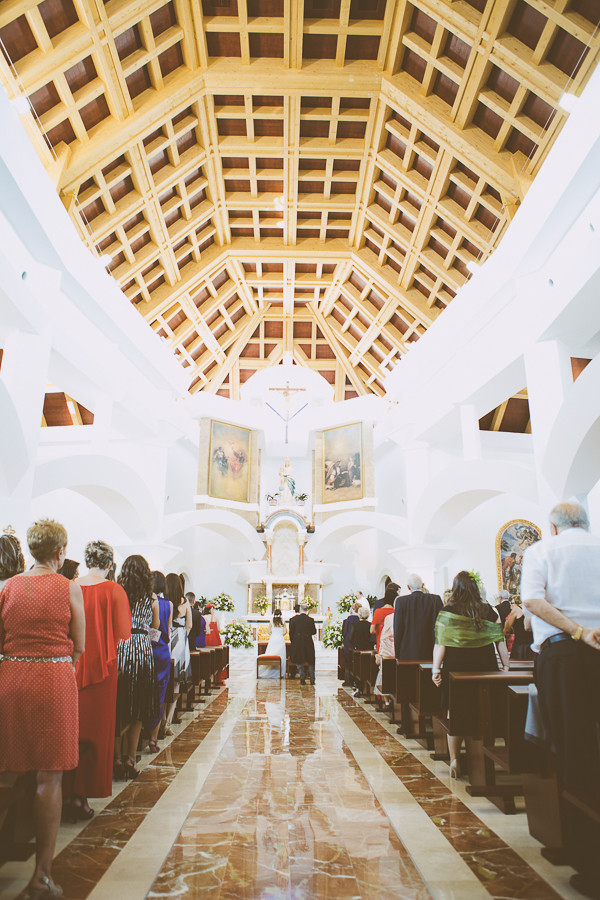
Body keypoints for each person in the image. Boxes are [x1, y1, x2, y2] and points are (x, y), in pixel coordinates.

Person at [0, 519, 85, 900]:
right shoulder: (68, 587)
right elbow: (79, 645)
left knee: (5, 772)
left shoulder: (9, 587)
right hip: (53, 680)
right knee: (48, 778)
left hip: (12, 679)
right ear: (59, 552)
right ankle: (41, 877)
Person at [521, 501, 600, 897]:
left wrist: (576, 631)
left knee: (575, 748)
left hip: (565, 653)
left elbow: (534, 601)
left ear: (552, 528)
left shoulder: (540, 551)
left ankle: (588, 859)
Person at [66, 540, 131, 821]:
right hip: (104, 669)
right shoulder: (114, 590)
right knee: (97, 732)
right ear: (109, 564)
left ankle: (68, 793)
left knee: (70, 731)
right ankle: (84, 795)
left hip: (72, 665)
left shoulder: (70, 585)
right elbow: (123, 632)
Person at [432, 571, 508, 777]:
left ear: (456, 589)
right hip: (485, 665)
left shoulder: (447, 611)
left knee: (454, 711)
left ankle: (455, 758)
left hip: (456, 667)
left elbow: (441, 644)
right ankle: (483, 755)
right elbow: (500, 642)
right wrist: (506, 667)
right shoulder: (490, 611)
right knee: (484, 710)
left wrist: (435, 669)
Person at [116, 555, 159, 778]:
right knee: (139, 705)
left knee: (121, 702)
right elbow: (156, 627)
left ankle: (116, 758)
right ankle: (131, 759)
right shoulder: (151, 598)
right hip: (142, 647)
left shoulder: (118, 592)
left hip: (122, 645)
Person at [145, 571, 172, 752]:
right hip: (162, 650)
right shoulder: (168, 604)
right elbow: (167, 632)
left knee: (144, 690)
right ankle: (153, 738)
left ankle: (140, 734)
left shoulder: (146, 602)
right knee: (160, 693)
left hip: (146, 649)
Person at [164, 572, 192, 731]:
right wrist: (182, 637)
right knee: (176, 681)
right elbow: (189, 626)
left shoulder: (164, 602)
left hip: (167, 640)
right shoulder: (185, 602)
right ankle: (168, 721)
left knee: (165, 679)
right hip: (180, 640)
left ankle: (161, 720)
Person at [289, 603, 316, 684]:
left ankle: (302, 677)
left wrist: (294, 642)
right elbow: (314, 632)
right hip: (308, 642)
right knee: (311, 660)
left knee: (299, 659)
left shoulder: (293, 620)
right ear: (307, 610)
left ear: (300, 610)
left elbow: (291, 633)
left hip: (298, 642)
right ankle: (312, 679)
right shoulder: (310, 620)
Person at [259, 610, 287, 678]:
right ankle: (281, 673)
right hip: (280, 639)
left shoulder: (271, 620)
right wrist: (280, 635)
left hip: (273, 639)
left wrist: (273, 635)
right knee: (281, 655)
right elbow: (285, 632)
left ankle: (269, 670)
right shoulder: (283, 621)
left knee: (270, 653)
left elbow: (268, 632)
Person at [204, 603, 227, 683]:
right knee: (217, 657)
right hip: (214, 638)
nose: (213, 611)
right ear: (210, 610)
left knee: (206, 656)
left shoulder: (203, 617)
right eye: (213, 609)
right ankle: (217, 677)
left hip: (206, 638)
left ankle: (206, 675)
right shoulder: (214, 617)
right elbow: (219, 628)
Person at [371, 584, 396, 650]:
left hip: (381, 643)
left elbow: (372, 630)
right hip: (394, 644)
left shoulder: (378, 611)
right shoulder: (396, 612)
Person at [342, 601, 360, 685]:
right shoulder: (360, 618)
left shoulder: (349, 619)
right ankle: (356, 680)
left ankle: (348, 680)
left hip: (348, 642)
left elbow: (344, 632)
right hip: (357, 643)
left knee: (348, 661)